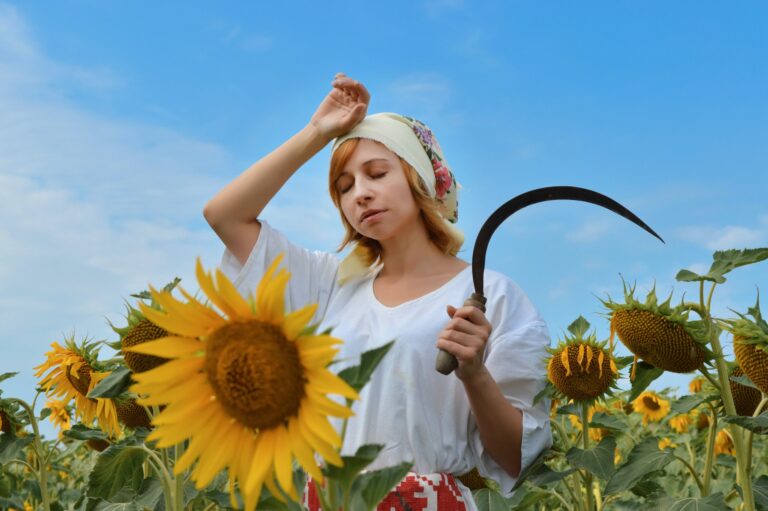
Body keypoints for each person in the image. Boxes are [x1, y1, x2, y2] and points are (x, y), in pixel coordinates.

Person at [203, 72, 552, 510]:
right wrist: (317, 133)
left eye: (376, 173)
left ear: (419, 178)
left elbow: (516, 457)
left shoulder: (490, 293)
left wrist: (475, 375)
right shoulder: (331, 285)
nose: (360, 195)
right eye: (344, 187)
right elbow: (225, 215)